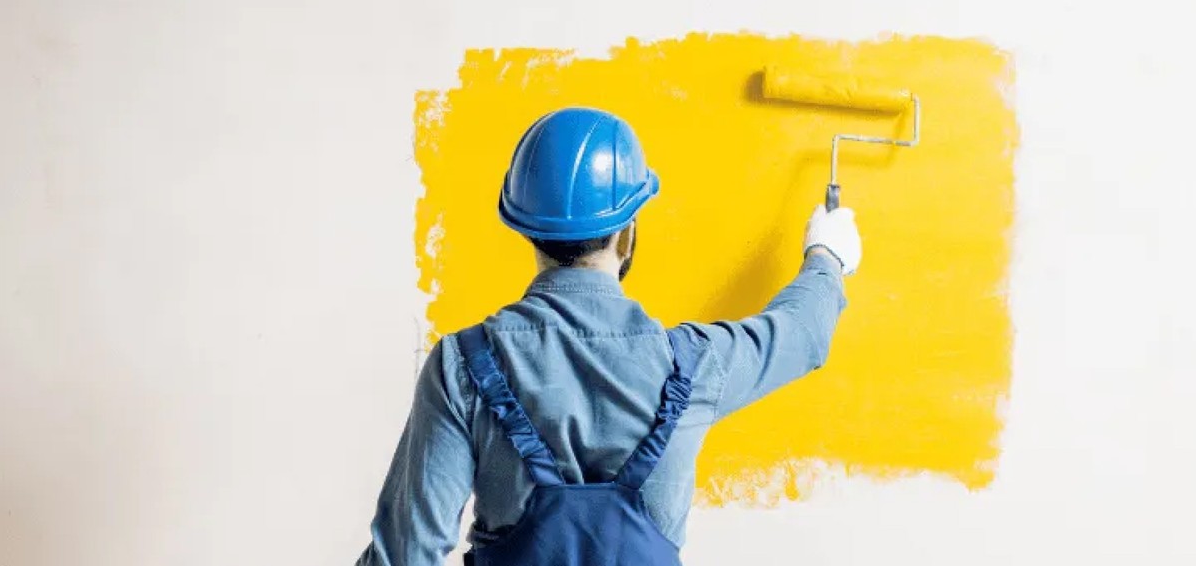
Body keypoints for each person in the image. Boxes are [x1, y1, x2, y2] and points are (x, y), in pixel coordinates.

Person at [357, 106, 862, 566]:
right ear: (627, 233)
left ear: (527, 229)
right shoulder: (695, 365)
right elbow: (802, 334)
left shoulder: (463, 364)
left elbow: (404, 556)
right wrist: (827, 256)